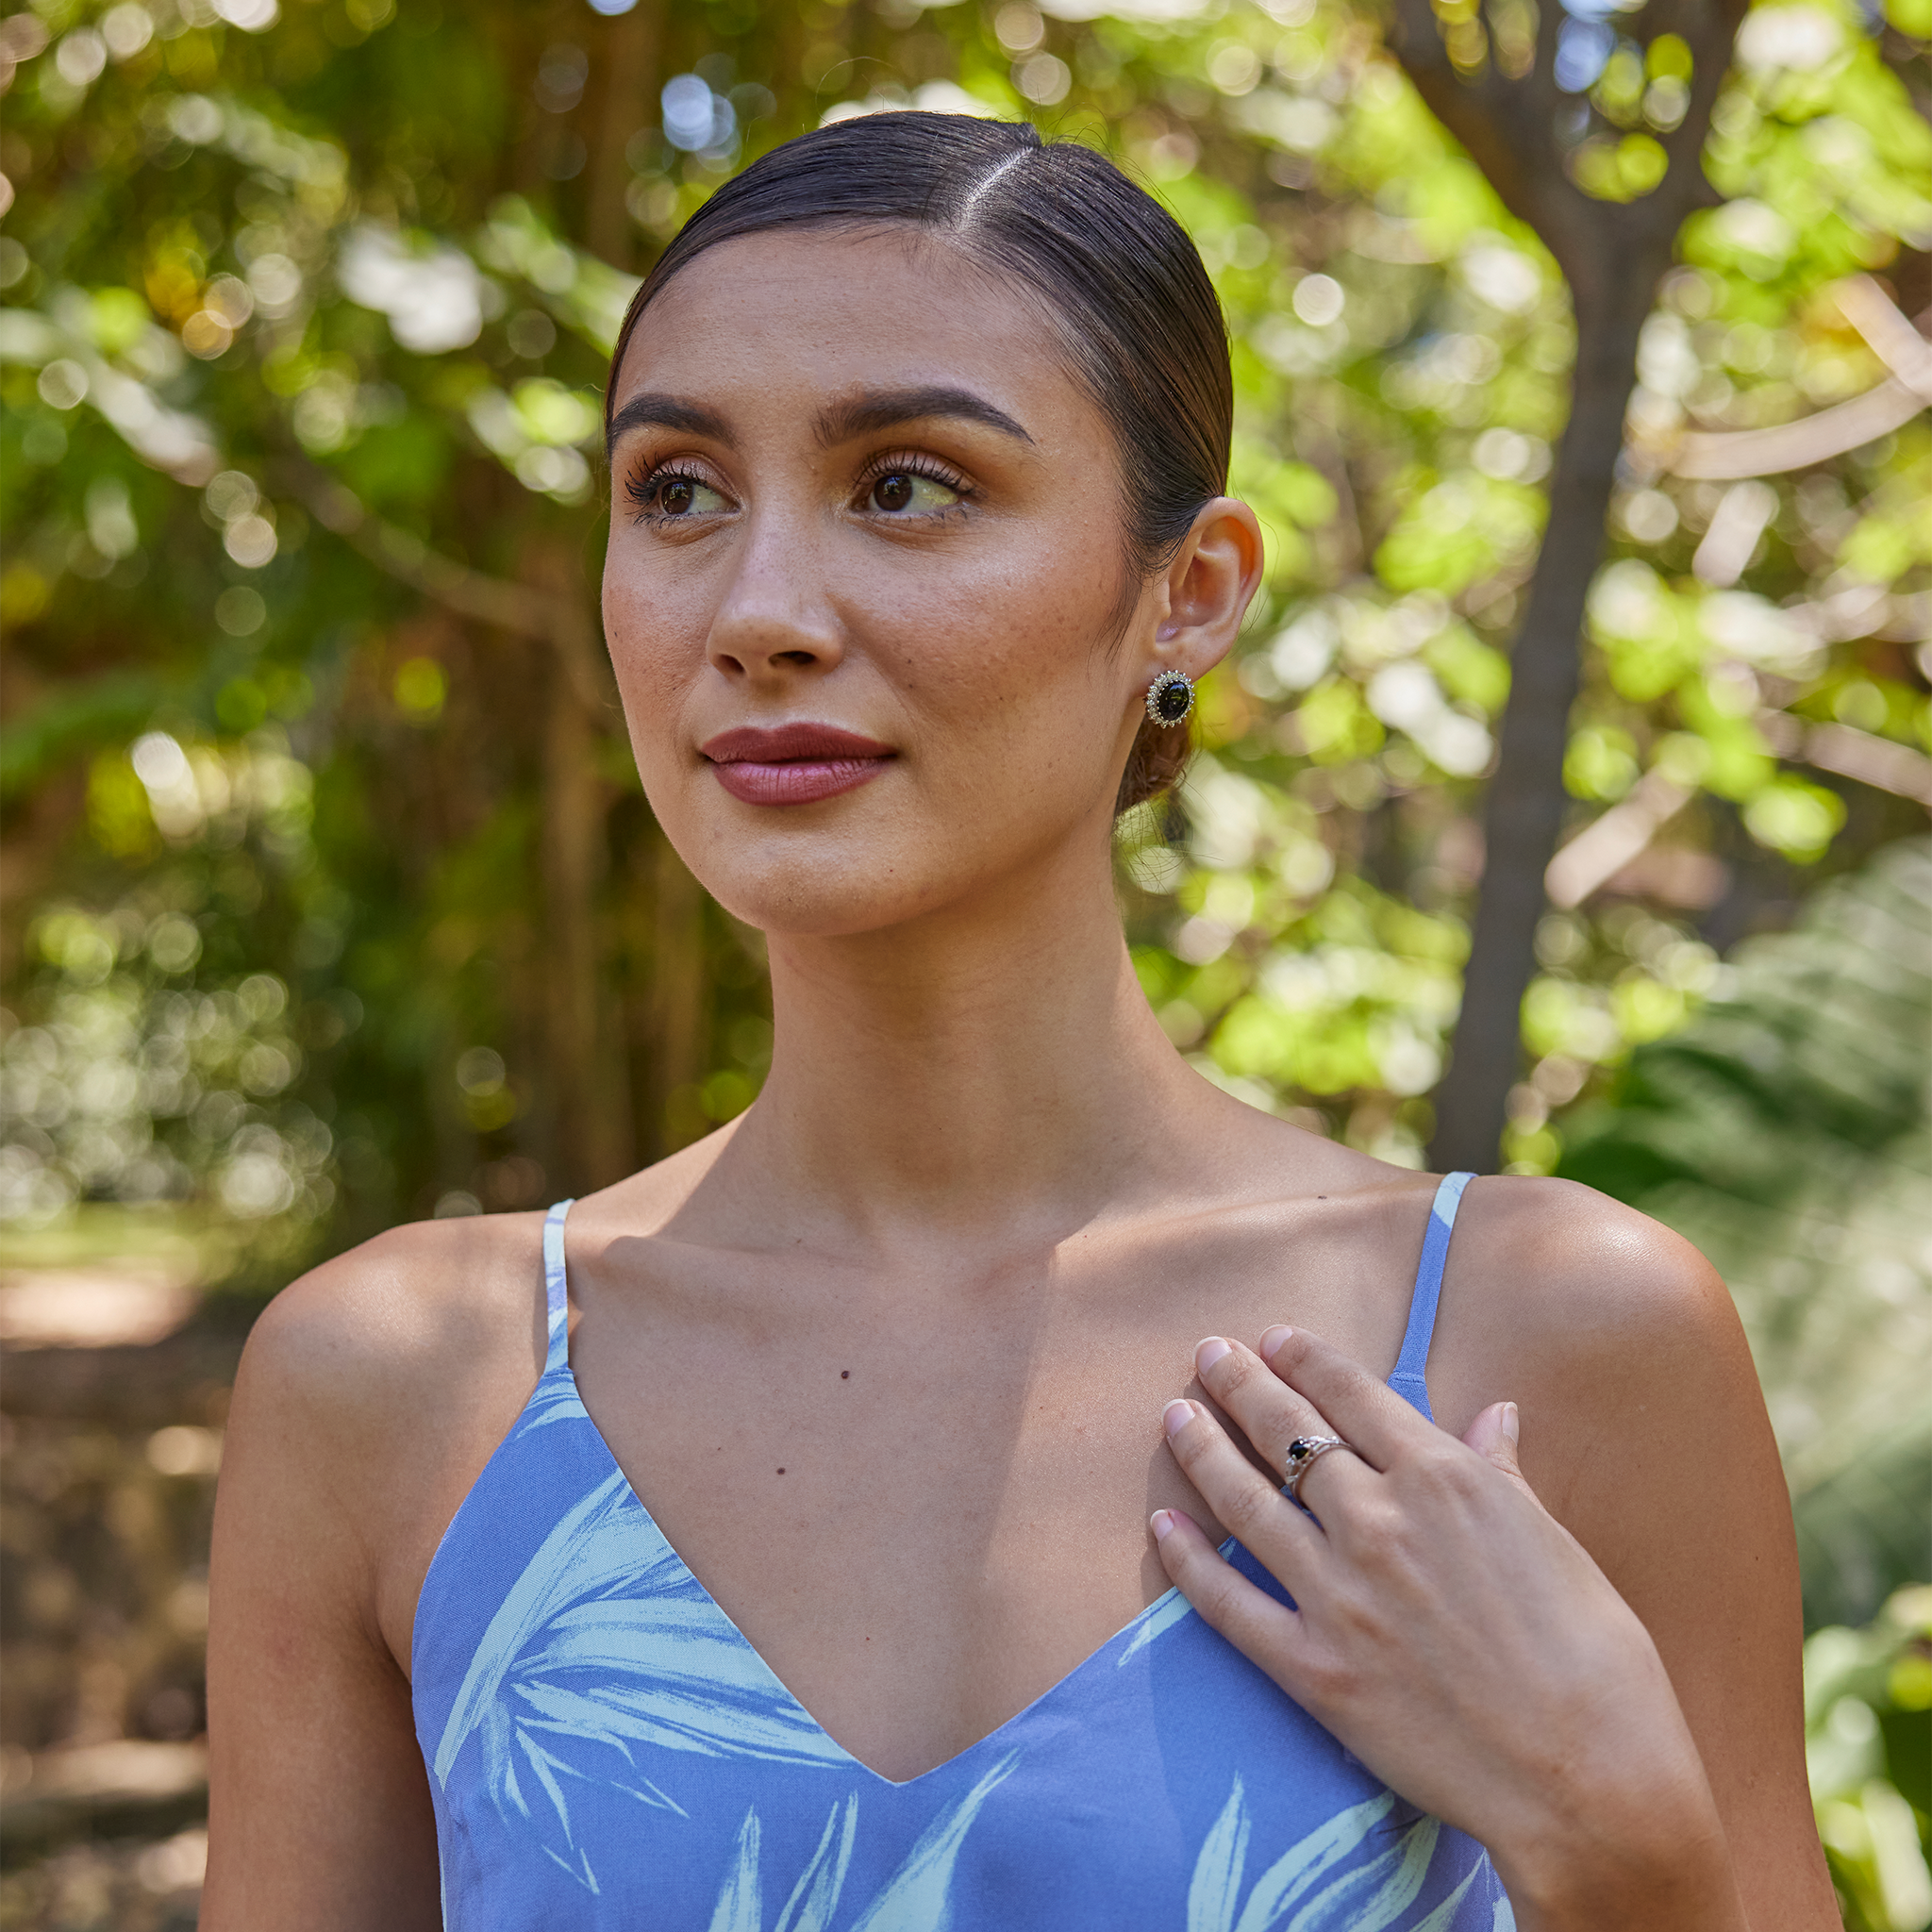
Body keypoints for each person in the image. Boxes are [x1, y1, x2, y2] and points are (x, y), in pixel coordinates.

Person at [202, 114, 1835, 1930]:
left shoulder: (1546, 1345)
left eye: (906, 484)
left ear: (1187, 594)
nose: (757, 612)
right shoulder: (403, 1387)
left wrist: (1622, 1849)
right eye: (677, 491)